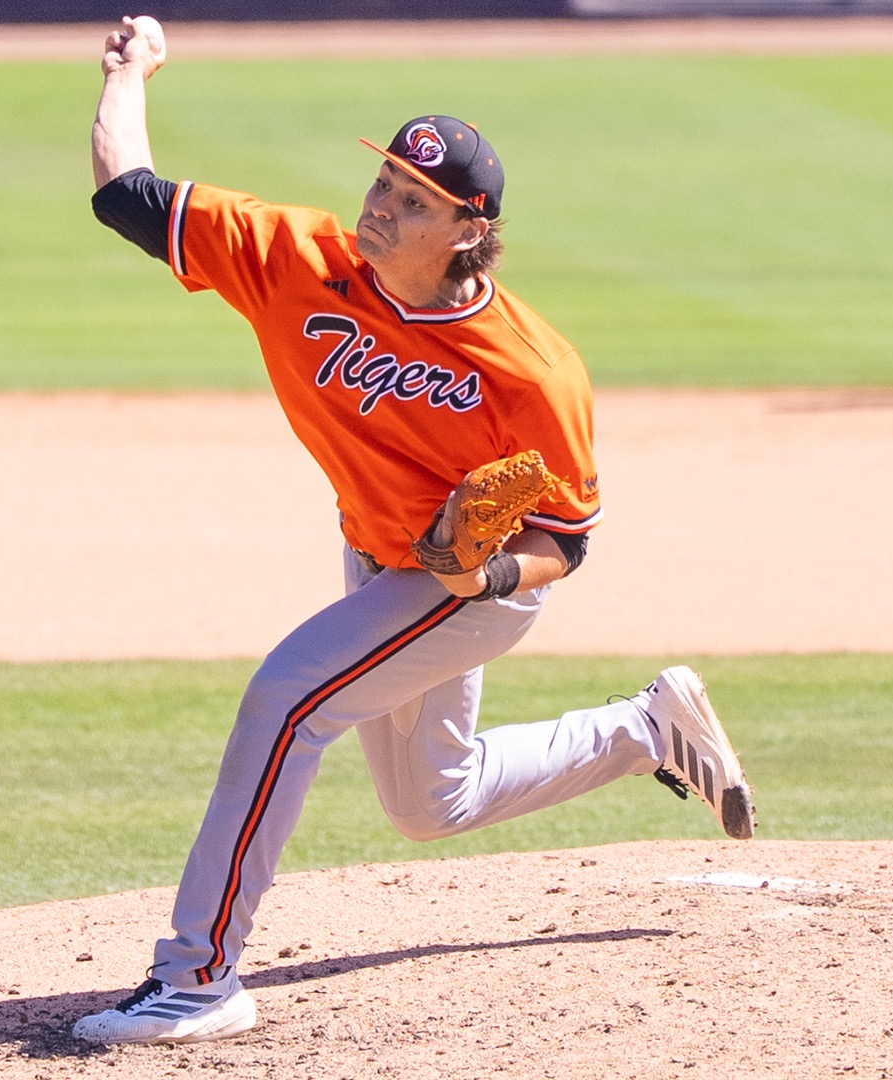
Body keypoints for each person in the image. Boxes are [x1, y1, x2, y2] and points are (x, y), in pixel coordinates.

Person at [71, 15, 755, 1046]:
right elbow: (126, 191)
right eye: (384, 183)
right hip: (378, 556)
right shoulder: (296, 258)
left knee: (286, 700)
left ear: (470, 231)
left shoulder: (531, 368)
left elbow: (566, 542)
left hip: (466, 596)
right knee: (431, 803)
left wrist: (482, 578)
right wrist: (130, 73)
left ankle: (199, 978)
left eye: (412, 200)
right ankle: (646, 729)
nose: (380, 207)